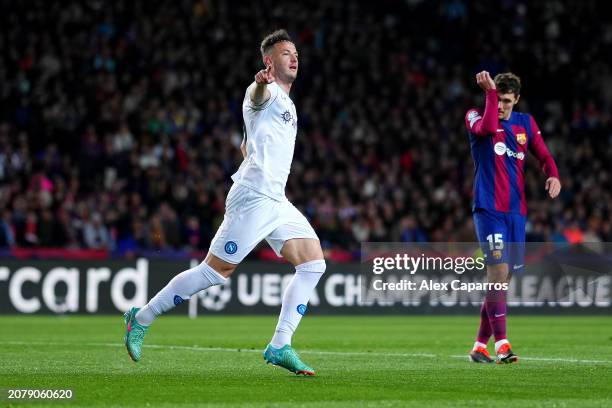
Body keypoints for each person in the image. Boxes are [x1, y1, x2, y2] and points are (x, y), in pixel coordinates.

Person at [123, 29, 325, 376]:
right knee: (215, 272)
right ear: (268, 62)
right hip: (253, 198)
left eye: (296, 53)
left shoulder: (287, 105)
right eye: (285, 53)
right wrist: (261, 83)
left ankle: (279, 345)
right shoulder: (266, 92)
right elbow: (256, 95)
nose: (294, 57)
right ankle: (140, 318)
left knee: (313, 264)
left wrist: (251, 154)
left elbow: (247, 142)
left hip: (275, 200)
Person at [464, 71, 561, 364]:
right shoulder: (475, 117)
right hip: (488, 209)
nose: (503, 106)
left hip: (516, 213)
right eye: (499, 99)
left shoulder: (526, 123)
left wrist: (554, 175)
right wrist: (490, 96)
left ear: (516, 99)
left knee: (502, 280)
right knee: (496, 273)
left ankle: (479, 345)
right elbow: (488, 127)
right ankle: (502, 345)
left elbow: (543, 155)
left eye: (507, 101)